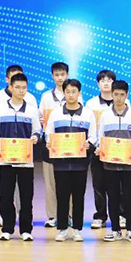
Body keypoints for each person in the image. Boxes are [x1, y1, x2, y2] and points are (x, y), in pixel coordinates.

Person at [0, 64, 38, 228]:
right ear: (10, 84)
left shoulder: (31, 103)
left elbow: (37, 129)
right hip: (4, 155)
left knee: (25, 193)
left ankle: (25, 226)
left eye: (24, 87)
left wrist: (35, 137)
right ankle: (5, 222)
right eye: (17, 86)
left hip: (25, 158)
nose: (21, 90)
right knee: (4, 190)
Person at [45, 79, 97, 242]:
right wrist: (49, 142)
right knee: (62, 195)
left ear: (79, 93)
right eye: (67, 92)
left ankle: (77, 229)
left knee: (79, 196)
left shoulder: (88, 113)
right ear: (64, 93)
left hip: (80, 163)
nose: (71, 95)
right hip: (60, 163)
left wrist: (89, 143)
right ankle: (62, 229)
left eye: (74, 91)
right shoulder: (56, 113)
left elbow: (93, 135)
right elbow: (48, 133)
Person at [98, 81, 131, 243]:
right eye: (116, 94)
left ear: (127, 95)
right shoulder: (105, 115)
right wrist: (99, 148)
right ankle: (115, 229)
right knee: (113, 198)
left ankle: (130, 229)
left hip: (129, 166)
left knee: (130, 198)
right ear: (112, 95)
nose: (118, 98)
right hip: (110, 166)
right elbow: (100, 137)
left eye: (122, 95)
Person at [38, 62, 79, 228]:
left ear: (67, 75)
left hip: (71, 145)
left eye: (63, 74)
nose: (60, 78)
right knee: (51, 182)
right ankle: (53, 215)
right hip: (51, 145)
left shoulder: (76, 94)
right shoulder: (46, 97)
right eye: (57, 75)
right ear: (52, 76)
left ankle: (70, 215)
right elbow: (40, 117)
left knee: (70, 182)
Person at [85, 69, 123, 230]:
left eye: (109, 80)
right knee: (99, 185)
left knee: (118, 185)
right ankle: (100, 216)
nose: (106, 83)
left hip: (117, 150)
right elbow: (90, 128)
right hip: (97, 150)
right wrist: (96, 145)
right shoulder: (91, 104)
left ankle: (120, 215)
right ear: (98, 84)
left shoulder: (123, 102)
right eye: (103, 80)